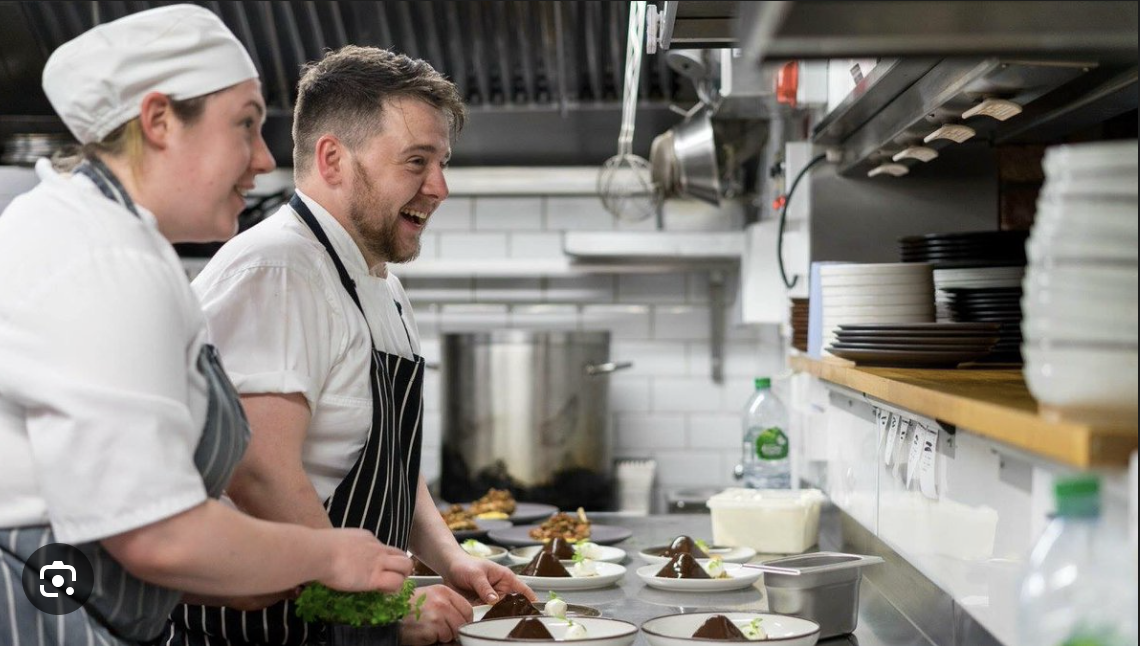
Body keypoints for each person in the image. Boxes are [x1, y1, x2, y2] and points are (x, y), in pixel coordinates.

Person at [0, 7, 413, 646]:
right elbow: (158, 536)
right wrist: (329, 557)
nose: (264, 158)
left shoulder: (101, 237)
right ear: (159, 121)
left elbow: (120, 523)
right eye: (246, 125)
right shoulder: (104, 260)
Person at [168, 46, 534, 645]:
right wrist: (381, 606)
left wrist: (450, 559)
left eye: (441, 162)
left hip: (338, 624)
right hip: (264, 630)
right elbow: (258, 469)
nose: (438, 187)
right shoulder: (279, 271)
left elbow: (388, 459)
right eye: (416, 161)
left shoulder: (381, 284)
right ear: (333, 159)